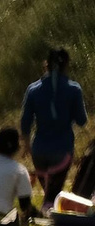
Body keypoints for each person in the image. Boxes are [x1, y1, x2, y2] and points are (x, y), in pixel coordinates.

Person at [21, 47, 86, 206]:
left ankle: (41, 219)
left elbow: (25, 122)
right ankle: (51, 222)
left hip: (39, 152)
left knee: (49, 194)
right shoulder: (74, 89)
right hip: (62, 152)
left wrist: (27, 146)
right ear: (66, 65)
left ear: (46, 64)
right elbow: (82, 120)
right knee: (52, 198)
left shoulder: (33, 89)